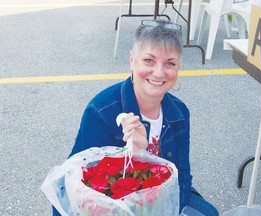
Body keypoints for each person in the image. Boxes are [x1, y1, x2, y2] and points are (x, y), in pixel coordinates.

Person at [52, 19, 218, 215]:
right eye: (149, 60)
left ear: (178, 66)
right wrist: (135, 154)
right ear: (132, 60)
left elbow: (181, 175)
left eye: (170, 63)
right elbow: (81, 186)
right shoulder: (102, 111)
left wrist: (173, 210)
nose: (158, 72)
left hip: (160, 194)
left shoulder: (179, 112)